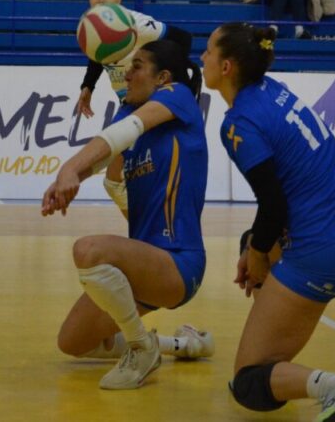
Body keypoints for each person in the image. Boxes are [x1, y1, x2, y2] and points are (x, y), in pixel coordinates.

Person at [201, 22, 335, 421]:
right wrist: (255, 247)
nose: (202, 58)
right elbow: (277, 203)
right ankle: (273, 331)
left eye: (209, 51)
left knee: (249, 383)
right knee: (252, 239)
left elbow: (273, 205)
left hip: (327, 248)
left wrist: (258, 255)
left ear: (228, 66)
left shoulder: (238, 123)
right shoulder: (274, 91)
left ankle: (334, 387)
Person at [43, 39, 212, 389]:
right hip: (144, 267)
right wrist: (72, 177)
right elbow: (109, 155)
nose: (127, 73)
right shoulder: (127, 112)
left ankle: (141, 347)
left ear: (162, 77)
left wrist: (70, 168)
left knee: (88, 251)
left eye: (137, 66)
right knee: (73, 343)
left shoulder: (178, 95)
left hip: (179, 263)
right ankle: (183, 343)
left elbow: (123, 132)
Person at [77, 0, 193, 218]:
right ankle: (148, 235)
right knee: (121, 180)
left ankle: (151, 235)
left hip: (152, 106)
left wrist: (166, 85)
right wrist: (88, 86)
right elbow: (99, 56)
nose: (101, 0)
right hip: (128, 105)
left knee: (119, 179)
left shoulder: (137, 24)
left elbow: (184, 39)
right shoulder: (92, 25)